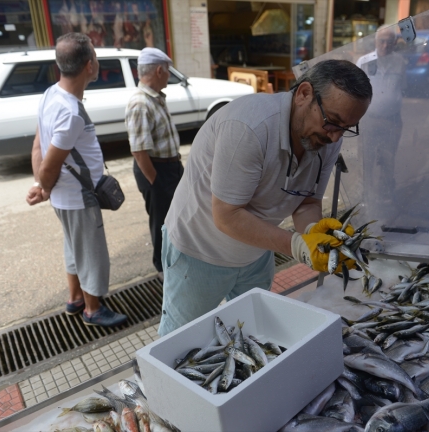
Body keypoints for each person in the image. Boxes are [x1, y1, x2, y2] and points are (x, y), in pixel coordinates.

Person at [159, 60, 372, 336]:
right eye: (332, 122)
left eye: (347, 127)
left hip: (256, 252)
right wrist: (296, 245)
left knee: (252, 333)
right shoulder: (249, 128)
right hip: (200, 253)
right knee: (181, 343)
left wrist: (312, 232)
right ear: (304, 93)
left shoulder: (327, 136)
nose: (334, 137)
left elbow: (306, 201)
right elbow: (226, 214)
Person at [26, 32, 127, 327]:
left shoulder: (50, 94)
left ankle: (75, 298)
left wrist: (42, 187)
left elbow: (37, 145)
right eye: (94, 56)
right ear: (89, 65)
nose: (96, 61)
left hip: (63, 196)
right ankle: (93, 310)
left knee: (73, 247)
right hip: (78, 197)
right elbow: (50, 162)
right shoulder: (71, 112)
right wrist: (43, 186)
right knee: (92, 254)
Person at [125, 47, 183, 280]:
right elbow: (139, 151)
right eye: (168, 71)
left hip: (170, 166)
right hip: (155, 169)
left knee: (176, 215)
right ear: (159, 70)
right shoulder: (141, 103)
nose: (169, 75)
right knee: (161, 220)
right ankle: (162, 268)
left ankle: (176, 256)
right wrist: (156, 181)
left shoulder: (155, 98)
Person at [356, 26, 406, 212]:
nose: (385, 45)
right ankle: (365, 197)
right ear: (375, 42)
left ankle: (385, 198)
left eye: (389, 42)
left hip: (392, 120)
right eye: (381, 41)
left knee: (388, 159)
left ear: (395, 43)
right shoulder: (364, 61)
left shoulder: (400, 62)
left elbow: (402, 87)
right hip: (369, 119)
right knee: (366, 160)